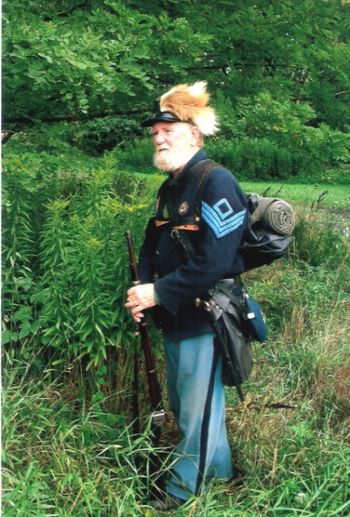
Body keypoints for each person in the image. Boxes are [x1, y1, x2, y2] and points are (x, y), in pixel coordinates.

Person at [125, 81, 249, 510]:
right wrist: (142, 289)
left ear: (194, 133)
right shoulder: (172, 185)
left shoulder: (216, 182)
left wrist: (158, 291)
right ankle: (222, 477)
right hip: (175, 314)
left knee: (196, 412)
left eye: (168, 129)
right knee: (189, 405)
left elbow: (216, 260)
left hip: (207, 316)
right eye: (155, 132)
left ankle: (180, 495)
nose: (158, 138)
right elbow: (151, 243)